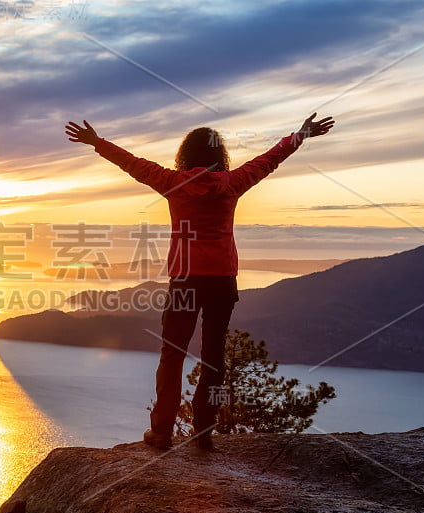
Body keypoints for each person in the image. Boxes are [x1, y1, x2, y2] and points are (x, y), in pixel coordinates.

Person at [64, 113, 335, 451]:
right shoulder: (233, 182)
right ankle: (203, 432)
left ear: (185, 155)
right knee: (213, 357)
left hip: (184, 281)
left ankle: (161, 432)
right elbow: (269, 160)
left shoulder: (171, 182)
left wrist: (97, 142)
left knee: (172, 354)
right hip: (222, 280)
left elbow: (132, 163)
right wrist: (300, 135)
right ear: (219, 156)